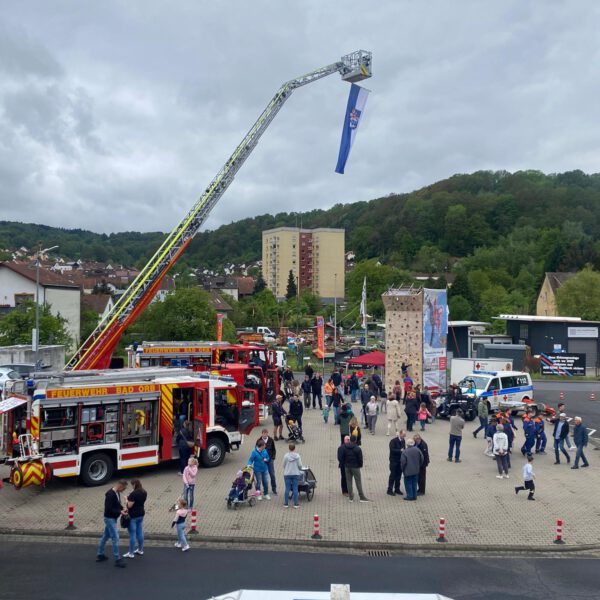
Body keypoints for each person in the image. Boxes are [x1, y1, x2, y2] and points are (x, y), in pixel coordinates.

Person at [96, 479, 128, 567]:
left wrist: (122, 509)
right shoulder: (110, 494)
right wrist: (120, 512)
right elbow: (108, 509)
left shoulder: (116, 493)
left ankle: (100, 554)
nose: (123, 491)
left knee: (105, 536)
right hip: (109, 519)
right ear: (120, 486)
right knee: (115, 537)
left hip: (112, 518)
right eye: (123, 489)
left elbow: (117, 504)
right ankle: (117, 559)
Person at [340, 434, 370, 502]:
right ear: (356, 440)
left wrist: (345, 464)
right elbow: (360, 459)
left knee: (349, 482)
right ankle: (361, 497)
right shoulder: (357, 448)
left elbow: (342, 457)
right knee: (358, 482)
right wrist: (360, 465)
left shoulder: (344, 447)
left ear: (350, 439)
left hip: (347, 467)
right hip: (355, 467)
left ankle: (351, 497)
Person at [124, 479, 147, 558]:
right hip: (141, 514)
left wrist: (126, 500)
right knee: (140, 532)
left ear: (134, 485)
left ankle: (131, 553)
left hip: (133, 516)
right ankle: (140, 550)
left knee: (132, 534)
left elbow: (129, 506)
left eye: (132, 485)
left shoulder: (133, 494)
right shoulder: (144, 492)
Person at [282, 443, 304, 508]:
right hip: (295, 474)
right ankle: (296, 504)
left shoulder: (286, 456)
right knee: (295, 488)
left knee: (287, 489)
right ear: (294, 448)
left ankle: (286, 504)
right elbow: (300, 465)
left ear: (289, 448)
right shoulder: (297, 456)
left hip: (287, 474)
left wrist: (287, 468)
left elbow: (283, 464)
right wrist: (299, 469)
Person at [258, 428, 277, 495]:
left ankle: (274, 489)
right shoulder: (259, 441)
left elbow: (274, 450)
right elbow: (257, 450)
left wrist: (273, 457)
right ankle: (265, 490)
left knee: (272, 475)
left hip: (270, 460)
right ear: (262, 434)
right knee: (264, 476)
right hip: (263, 461)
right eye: (264, 433)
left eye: (266, 433)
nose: (265, 435)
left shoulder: (271, 440)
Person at [387, 430, 406, 496]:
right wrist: (399, 450)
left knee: (399, 475)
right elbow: (392, 450)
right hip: (393, 461)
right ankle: (389, 489)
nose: (404, 436)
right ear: (400, 434)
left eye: (405, 435)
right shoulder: (393, 441)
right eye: (403, 435)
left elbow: (404, 448)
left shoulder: (403, 440)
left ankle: (397, 489)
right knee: (393, 475)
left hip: (400, 461)